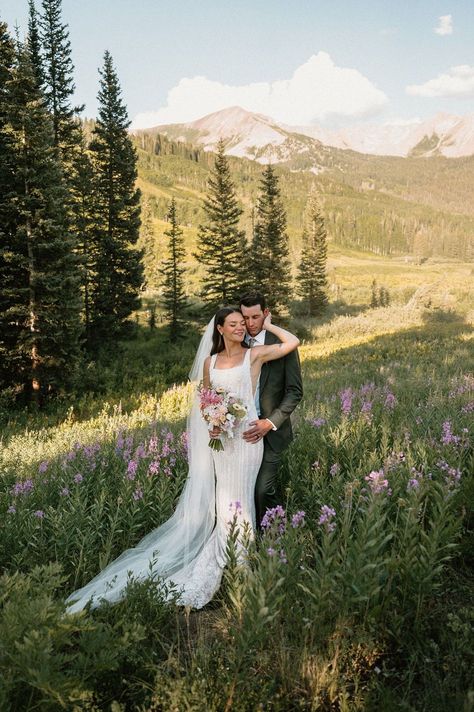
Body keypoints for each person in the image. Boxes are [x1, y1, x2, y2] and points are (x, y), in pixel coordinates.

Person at [65, 307, 299, 613]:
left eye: (244, 324)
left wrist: (269, 324)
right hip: (221, 441)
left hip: (246, 441)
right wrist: (213, 420)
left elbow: (292, 342)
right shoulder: (210, 363)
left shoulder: (253, 355)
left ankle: (241, 570)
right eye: (234, 324)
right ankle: (234, 568)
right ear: (220, 329)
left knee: (240, 501)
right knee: (224, 503)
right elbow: (206, 401)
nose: (241, 328)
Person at [239, 293, 303, 529]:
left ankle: (274, 539)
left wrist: (270, 422)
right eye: (245, 317)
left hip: (271, 432)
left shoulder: (282, 345)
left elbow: (295, 391)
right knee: (240, 489)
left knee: (263, 490)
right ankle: (247, 539)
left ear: (265, 314)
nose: (250, 323)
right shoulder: (237, 343)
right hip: (241, 431)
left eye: (256, 317)